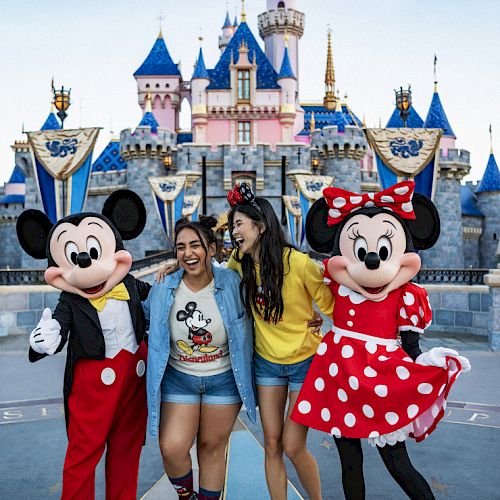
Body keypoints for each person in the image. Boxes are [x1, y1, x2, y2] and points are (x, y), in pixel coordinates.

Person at [291, 181, 471, 499]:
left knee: (397, 462)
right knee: (349, 463)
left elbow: (412, 347)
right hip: (341, 378)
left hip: (382, 382)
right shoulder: (336, 285)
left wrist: (429, 364)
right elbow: (293, 271)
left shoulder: (406, 294)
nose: (372, 261)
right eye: (361, 252)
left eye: (382, 251)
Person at [226, 182, 334, 500]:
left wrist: (323, 326)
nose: (233, 232)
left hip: (304, 363)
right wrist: (172, 267)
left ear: (260, 226)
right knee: (271, 444)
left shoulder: (299, 264)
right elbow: (206, 274)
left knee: (292, 444)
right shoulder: (238, 262)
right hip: (266, 365)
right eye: (232, 225)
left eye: (238, 224)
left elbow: (334, 307)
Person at [144, 216, 257, 500]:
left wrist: (310, 317)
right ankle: (186, 496)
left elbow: (269, 293)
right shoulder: (163, 287)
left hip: (223, 380)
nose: (187, 253)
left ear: (211, 249)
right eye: (180, 247)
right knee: (172, 447)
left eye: (195, 245)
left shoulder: (234, 282)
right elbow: (137, 314)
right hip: (179, 379)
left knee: (211, 447)